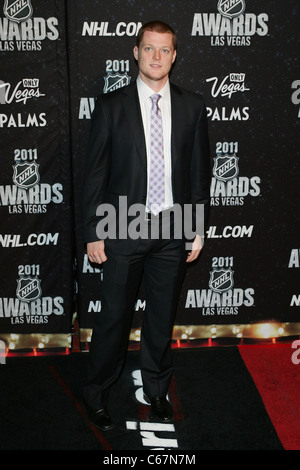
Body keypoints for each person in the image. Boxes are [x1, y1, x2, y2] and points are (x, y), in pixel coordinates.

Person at [82, 20, 211, 431]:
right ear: (135, 52)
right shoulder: (111, 106)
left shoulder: (192, 107)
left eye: (165, 50)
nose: (157, 57)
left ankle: (156, 391)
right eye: (149, 48)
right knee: (113, 319)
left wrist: (195, 225)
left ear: (175, 55)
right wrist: (93, 230)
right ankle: (97, 393)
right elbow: (95, 175)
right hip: (121, 225)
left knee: (160, 318)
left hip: (173, 227)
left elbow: (197, 173)